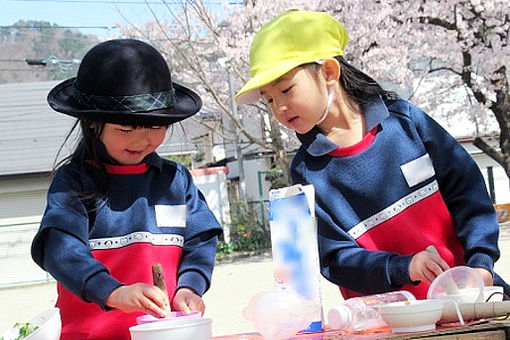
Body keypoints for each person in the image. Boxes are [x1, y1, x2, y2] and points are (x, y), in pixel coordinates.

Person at [235, 9, 509, 300]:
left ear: (328, 72)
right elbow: (336, 259)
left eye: (286, 89)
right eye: (269, 100)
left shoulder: (405, 122)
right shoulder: (306, 171)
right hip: (391, 322)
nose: (279, 108)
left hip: (472, 298)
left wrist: (481, 264)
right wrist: (404, 268)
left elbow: (467, 191)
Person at [31, 39, 223, 339]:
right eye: (125, 130)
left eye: (155, 128)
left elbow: (201, 238)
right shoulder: (74, 181)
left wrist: (190, 285)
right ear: (92, 125)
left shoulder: (175, 180)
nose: (140, 142)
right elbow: (60, 249)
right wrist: (112, 291)